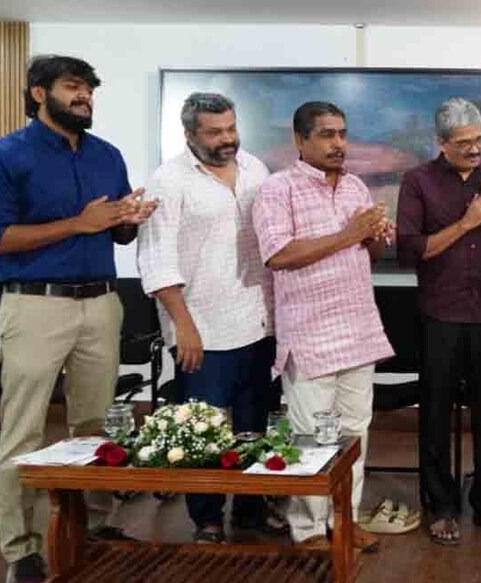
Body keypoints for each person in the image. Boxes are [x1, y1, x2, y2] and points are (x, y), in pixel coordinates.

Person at [0, 55, 155, 583]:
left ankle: (94, 528)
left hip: (101, 303)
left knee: (97, 426)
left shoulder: (107, 155)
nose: (85, 98)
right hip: (34, 305)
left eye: (90, 90)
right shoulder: (4, 155)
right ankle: (22, 551)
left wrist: (129, 221)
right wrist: (80, 223)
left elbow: (115, 233)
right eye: (73, 88)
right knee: (25, 431)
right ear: (38, 93)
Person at [137, 92, 282, 543]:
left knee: (254, 422)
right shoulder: (169, 181)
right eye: (215, 132)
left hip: (261, 320)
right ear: (189, 135)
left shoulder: (256, 168)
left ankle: (251, 511)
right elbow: (156, 260)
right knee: (204, 427)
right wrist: (183, 325)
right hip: (203, 326)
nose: (228, 140)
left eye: (232, 129)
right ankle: (207, 517)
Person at [253, 101, 395, 552]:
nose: (339, 144)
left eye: (343, 134)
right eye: (328, 135)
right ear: (300, 141)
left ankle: (345, 522)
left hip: (358, 328)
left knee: (355, 432)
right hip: (310, 334)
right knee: (312, 435)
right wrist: (350, 234)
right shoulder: (278, 190)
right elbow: (279, 255)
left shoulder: (355, 186)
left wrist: (372, 237)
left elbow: (366, 255)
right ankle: (309, 529)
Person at [396, 97, 481, 545]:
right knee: (434, 414)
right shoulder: (418, 182)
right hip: (439, 314)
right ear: (442, 144)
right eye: (464, 143)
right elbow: (413, 250)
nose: (475, 150)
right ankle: (442, 504)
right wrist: (469, 222)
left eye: (479, 139)